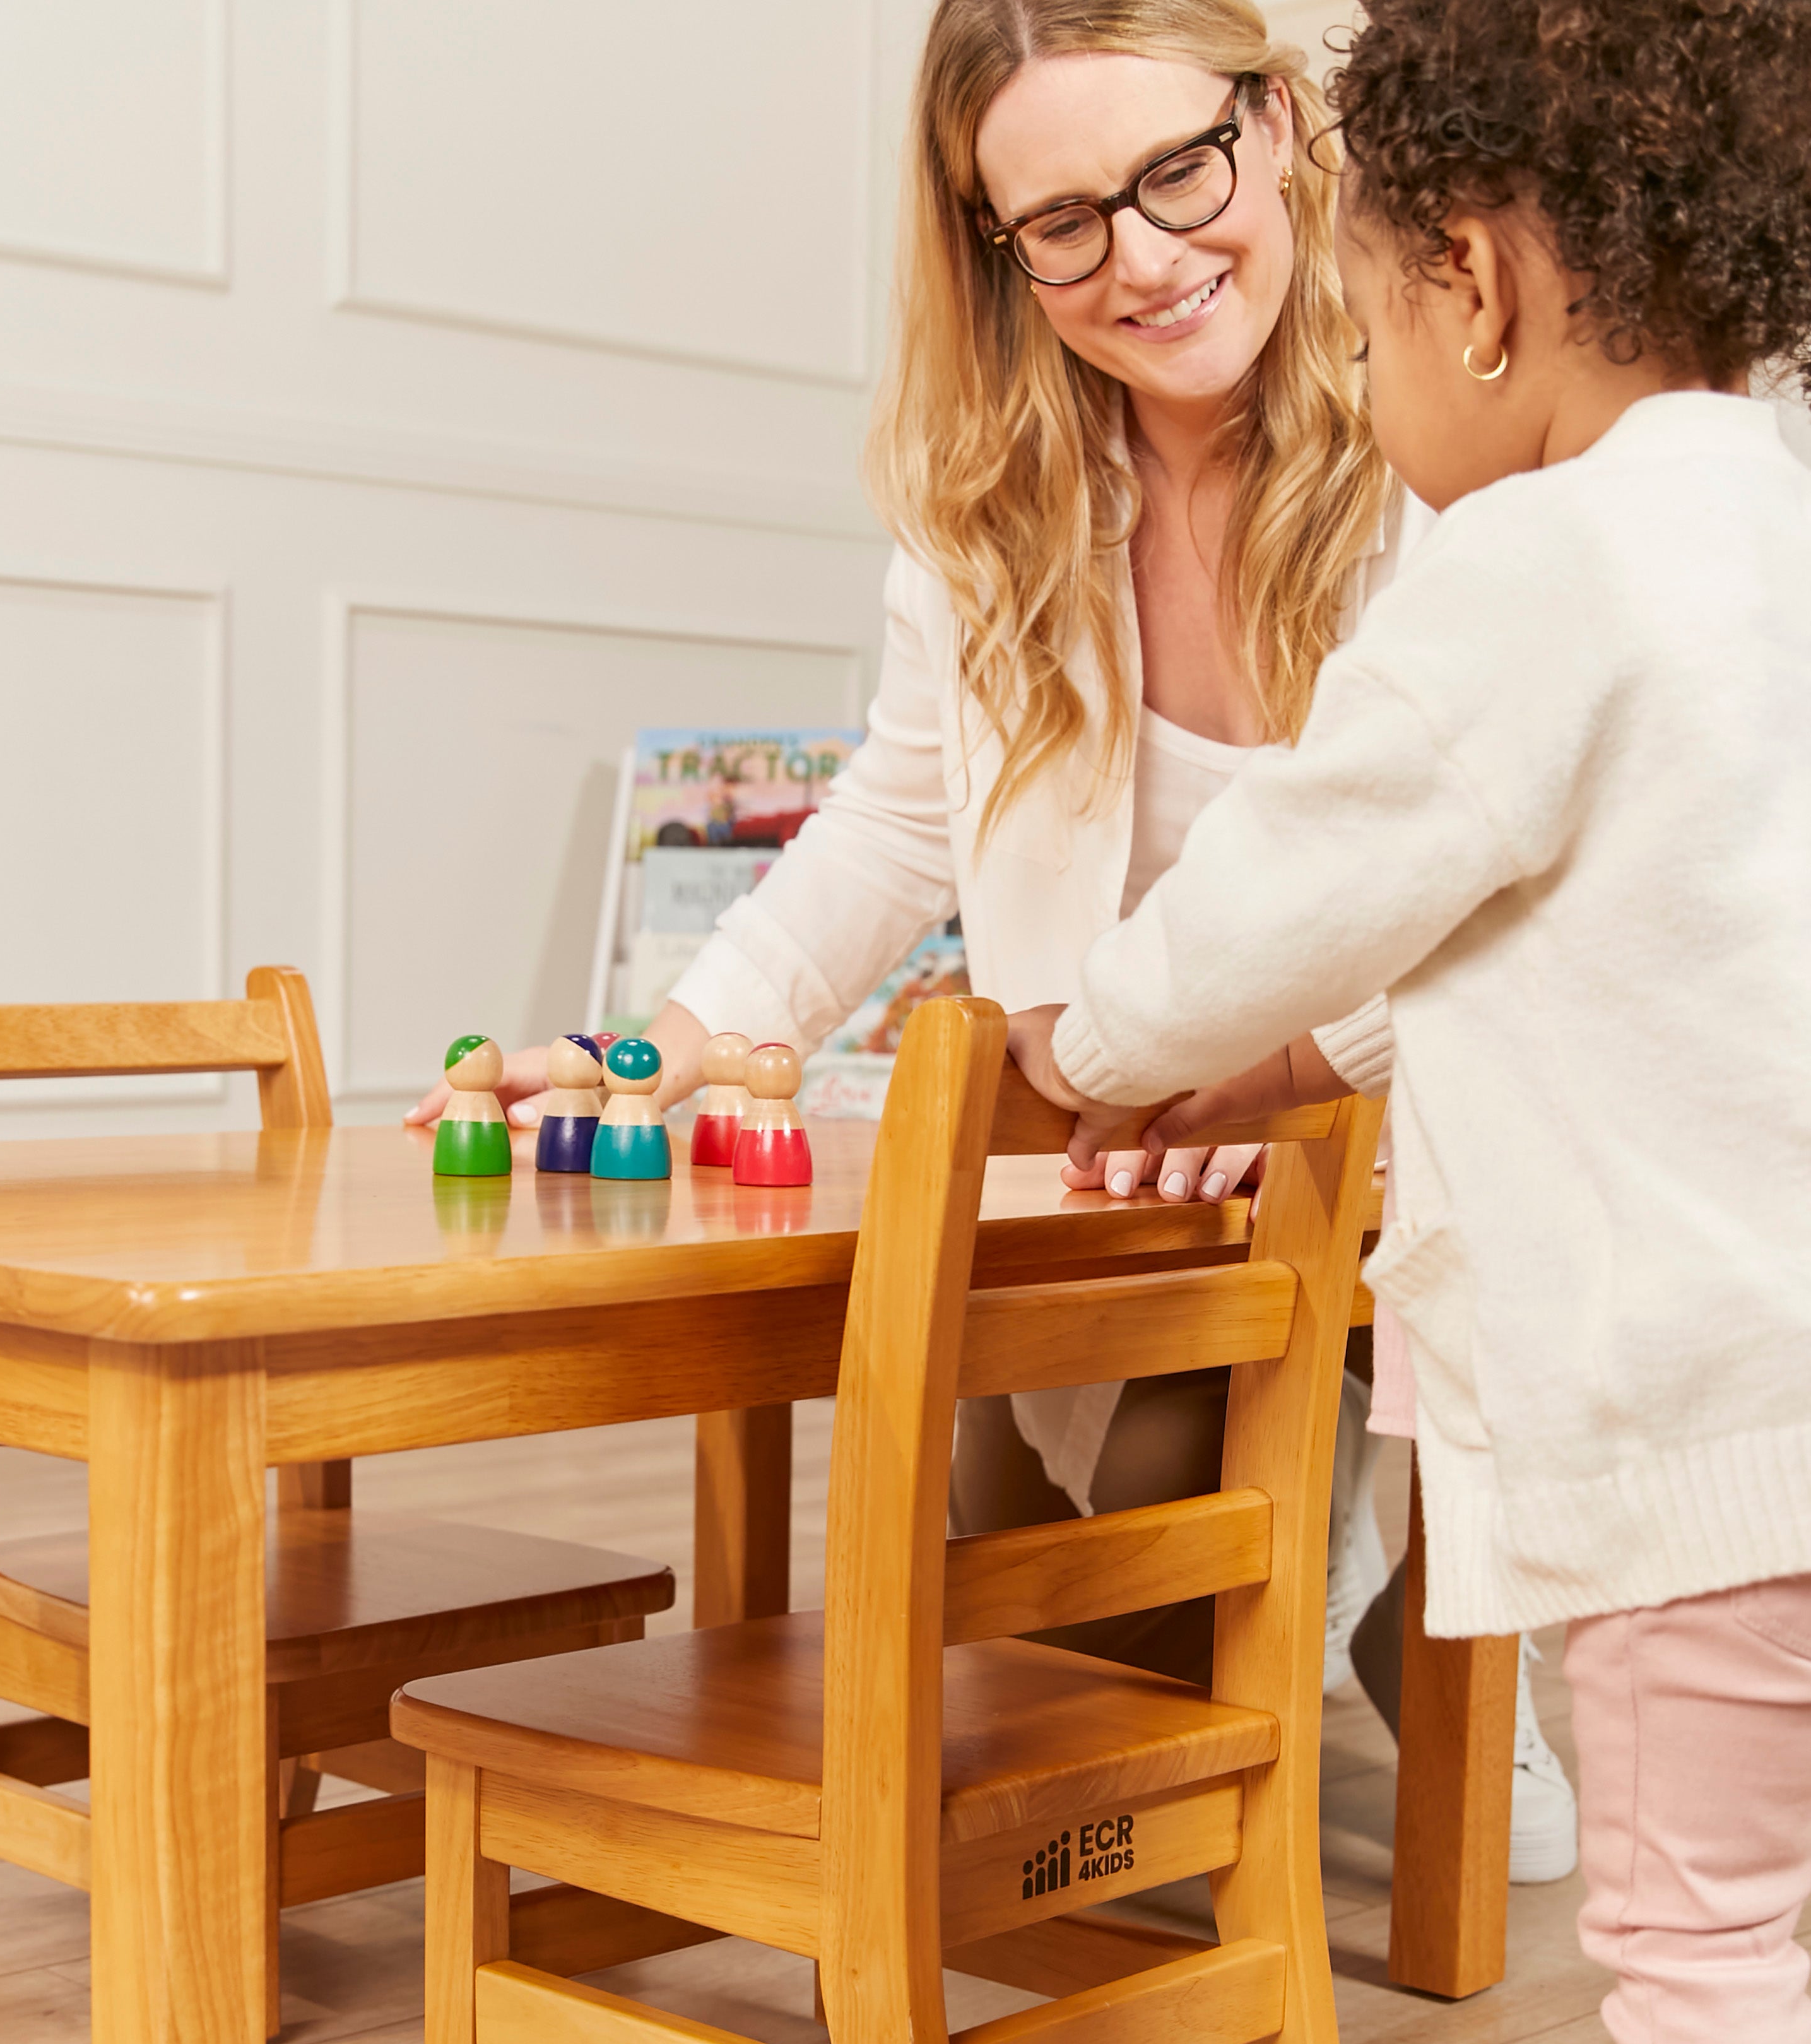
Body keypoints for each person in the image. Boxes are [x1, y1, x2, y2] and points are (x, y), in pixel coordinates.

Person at [406, 0, 1574, 1872]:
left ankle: (1397, 1571)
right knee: (1031, 1686)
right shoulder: (991, 505)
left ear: (1276, 127)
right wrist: (668, 1040)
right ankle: (1301, 1556)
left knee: (1158, 1776)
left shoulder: (1452, 444)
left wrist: (1275, 1070)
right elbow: (889, 821)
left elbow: (1514, 897)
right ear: (995, 246)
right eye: (1063, 223)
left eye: (1178, 172)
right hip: (1111, 1139)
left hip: (1382, 1116)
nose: (1145, 259)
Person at [1009, 0, 1811, 2044]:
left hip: (1704, 1409)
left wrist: (1102, 1032)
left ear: (1469, 277)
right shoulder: (1772, 515)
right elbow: (1553, 925)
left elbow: (1296, 882)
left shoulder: (1534, 562)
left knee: (1696, 1922)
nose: (1361, 360)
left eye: (1358, 304)